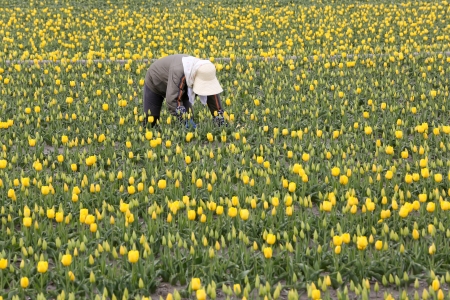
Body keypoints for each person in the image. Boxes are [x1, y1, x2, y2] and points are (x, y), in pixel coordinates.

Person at [143, 54, 226, 128]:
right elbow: (173, 99)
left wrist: (219, 116)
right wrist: (184, 118)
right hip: (155, 82)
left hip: (181, 87)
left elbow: (212, 94)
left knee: (189, 116)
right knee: (151, 121)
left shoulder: (205, 72)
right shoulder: (179, 72)